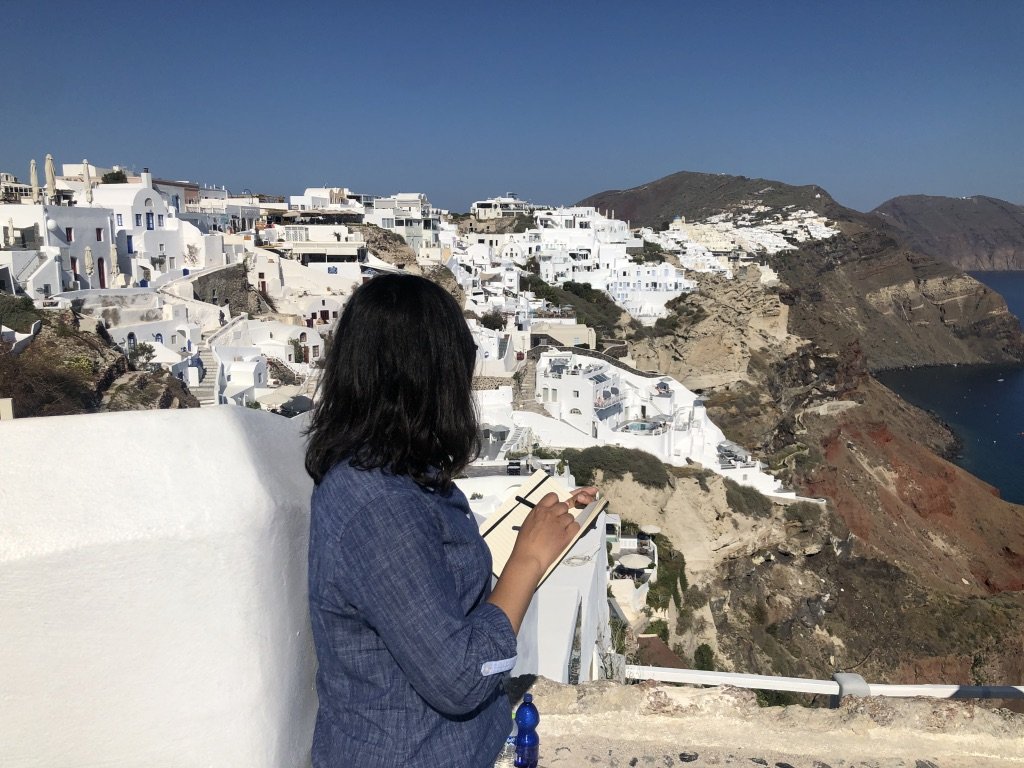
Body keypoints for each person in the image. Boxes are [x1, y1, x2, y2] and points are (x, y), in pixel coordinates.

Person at [304, 274, 596, 768]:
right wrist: (529, 559)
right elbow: (459, 679)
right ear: (430, 380)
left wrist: (539, 532)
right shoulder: (380, 507)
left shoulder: (395, 474)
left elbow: (431, 591)